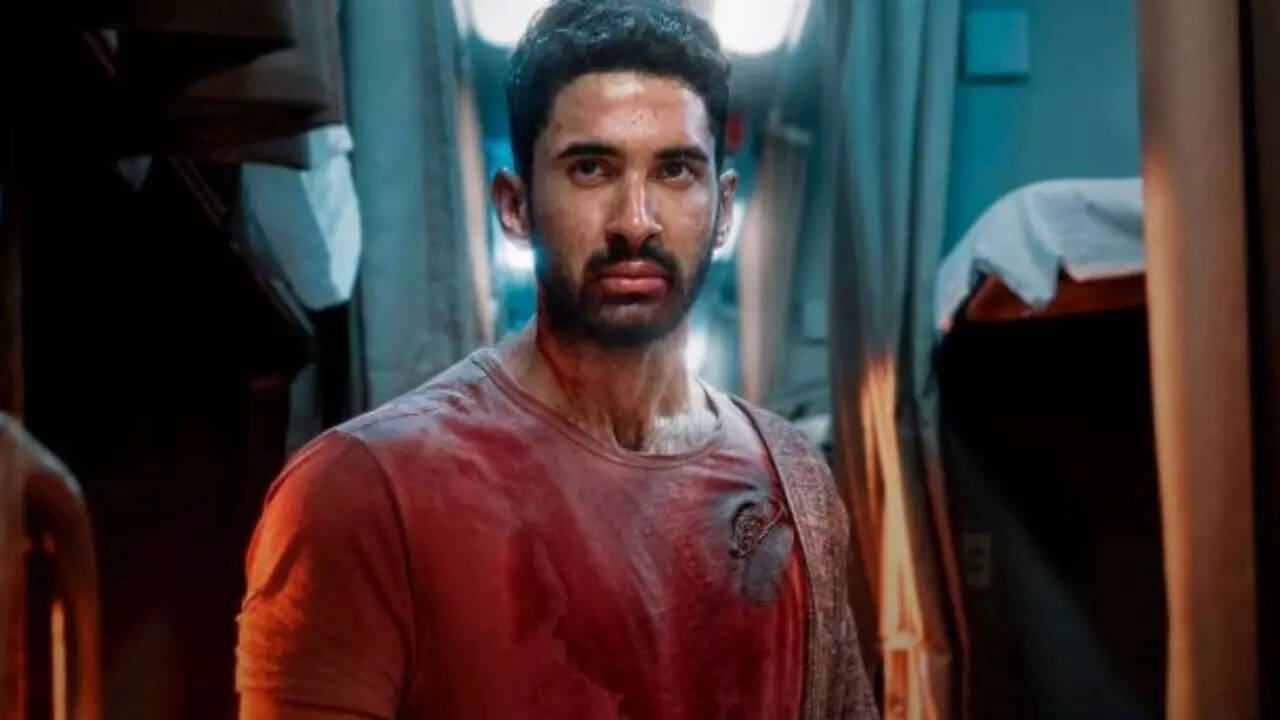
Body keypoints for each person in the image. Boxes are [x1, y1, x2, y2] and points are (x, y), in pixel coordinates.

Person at [234, 1, 878, 718]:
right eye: (591, 169)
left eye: (675, 171)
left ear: (723, 209)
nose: (635, 221)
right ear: (515, 207)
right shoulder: (361, 491)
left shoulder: (793, 479)